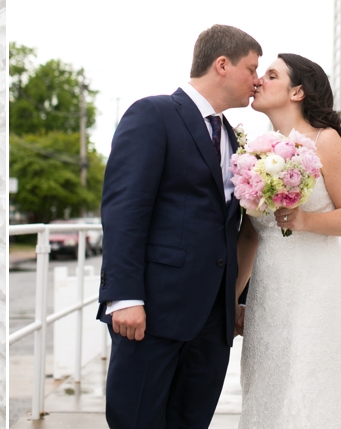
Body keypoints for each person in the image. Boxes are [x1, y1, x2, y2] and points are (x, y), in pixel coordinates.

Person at [98, 24, 262, 429]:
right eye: (252, 68)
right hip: (153, 310)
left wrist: (236, 301)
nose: (257, 80)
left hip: (211, 320)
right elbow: (125, 210)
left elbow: (232, 227)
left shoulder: (232, 139)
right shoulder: (152, 114)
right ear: (222, 64)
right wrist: (123, 297)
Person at [236, 53, 341, 428]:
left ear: (297, 91)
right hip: (268, 294)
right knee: (267, 388)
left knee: (312, 391)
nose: (260, 80)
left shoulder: (325, 141)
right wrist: (232, 298)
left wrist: (305, 219)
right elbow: (249, 234)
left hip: (316, 291)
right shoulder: (254, 151)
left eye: (271, 74)